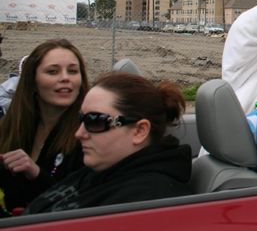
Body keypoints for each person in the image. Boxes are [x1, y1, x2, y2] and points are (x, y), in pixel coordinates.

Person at [24, 71, 191, 214]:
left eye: (95, 121)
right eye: (80, 119)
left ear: (140, 131)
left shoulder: (146, 204)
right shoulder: (99, 171)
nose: (79, 133)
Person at [0, 40, 88, 217]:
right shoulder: (11, 128)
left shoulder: (89, 135)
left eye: (72, 71)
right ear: (32, 82)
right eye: (53, 71)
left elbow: (81, 204)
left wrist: (36, 175)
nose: (65, 78)